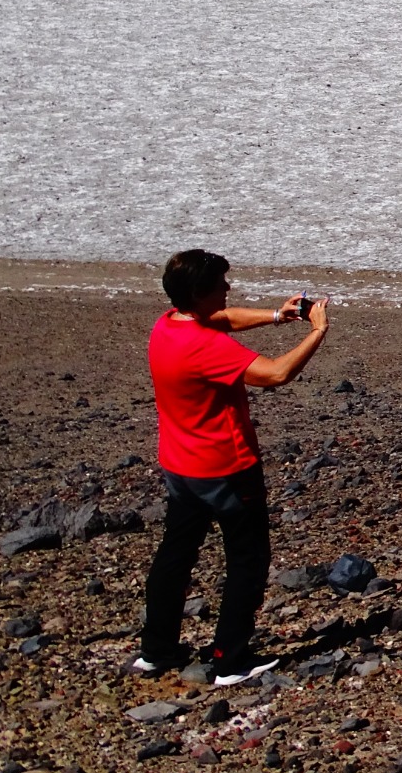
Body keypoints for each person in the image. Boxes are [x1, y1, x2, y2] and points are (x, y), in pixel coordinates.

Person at [132, 248, 331, 685]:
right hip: (225, 468)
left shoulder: (168, 326)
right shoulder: (205, 347)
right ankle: (230, 660)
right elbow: (275, 374)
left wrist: (276, 317)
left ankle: (156, 650)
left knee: (175, 556)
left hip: (180, 467)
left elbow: (222, 320)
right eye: (222, 284)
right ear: (201, 293)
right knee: (247, 560)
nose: (228, 289)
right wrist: (316, 333)